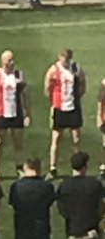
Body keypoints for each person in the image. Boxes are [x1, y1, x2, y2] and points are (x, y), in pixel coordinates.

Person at [0, 50, 30, 176]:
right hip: (1, 113)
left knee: (18, 143)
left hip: (17, 113)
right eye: (9, 60)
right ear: (3, 61)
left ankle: (19, 168)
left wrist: (27, 114)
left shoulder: (19, 75)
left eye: (13, 59)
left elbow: (26, 95)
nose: (12, 62)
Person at [45, 47, 85, 177]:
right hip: (59, 108)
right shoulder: (54, 70)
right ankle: (53, 167)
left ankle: (76, 167)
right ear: (59, 57)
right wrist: (53, 101)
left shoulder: (76, 68)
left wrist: (79, 95)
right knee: (56, 138)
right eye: (63, 58)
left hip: (73, 107)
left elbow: (83, 83)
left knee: (76, 139)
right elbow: (47, 86)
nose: (65, 61)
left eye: (67, 59)